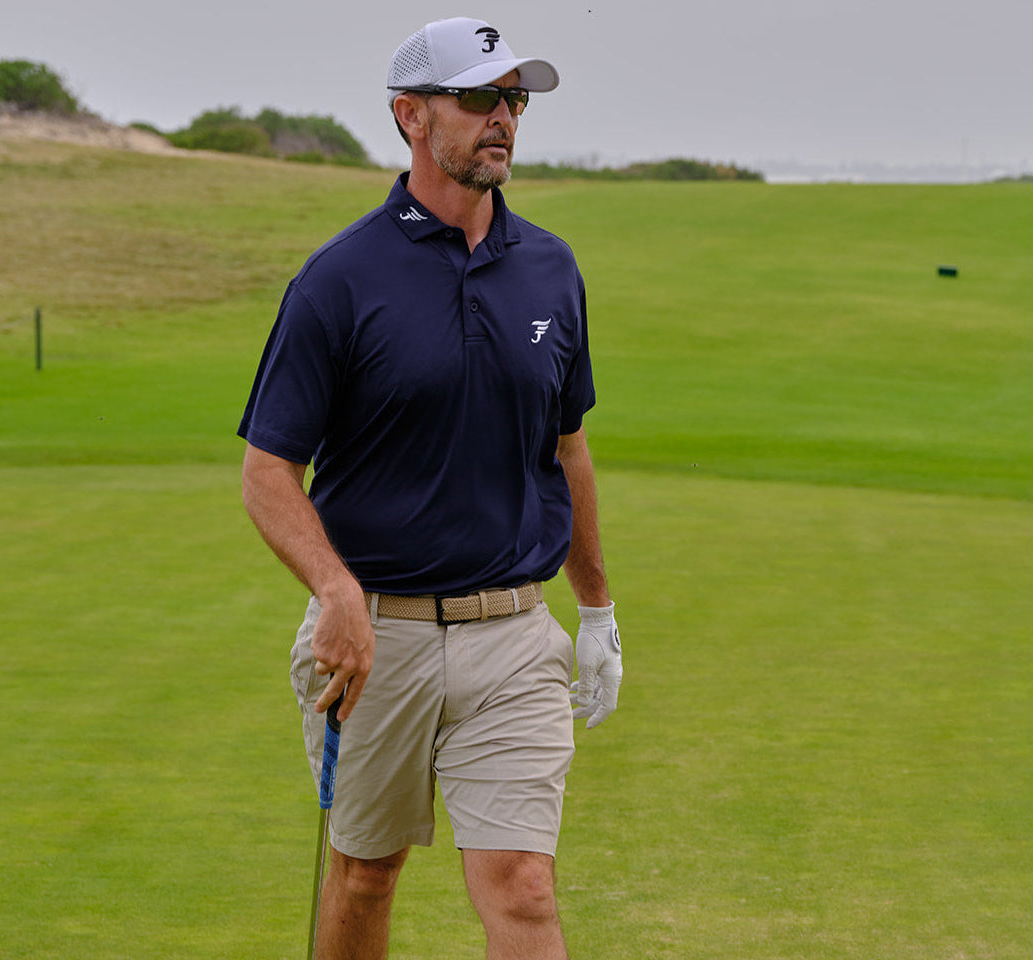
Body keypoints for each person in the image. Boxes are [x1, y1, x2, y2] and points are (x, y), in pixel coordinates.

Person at [238, 16, 623, 960]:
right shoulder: (338, 278)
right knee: (365, 875)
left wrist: (599, 611)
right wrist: (333, 593)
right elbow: (268, 470)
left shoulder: (551, 267)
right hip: (377, 640)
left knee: (524, 890)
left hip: (514, 637)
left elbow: (567, 449)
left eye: (515, 100)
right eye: (481, 98)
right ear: (411, 115)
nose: (505, 119)